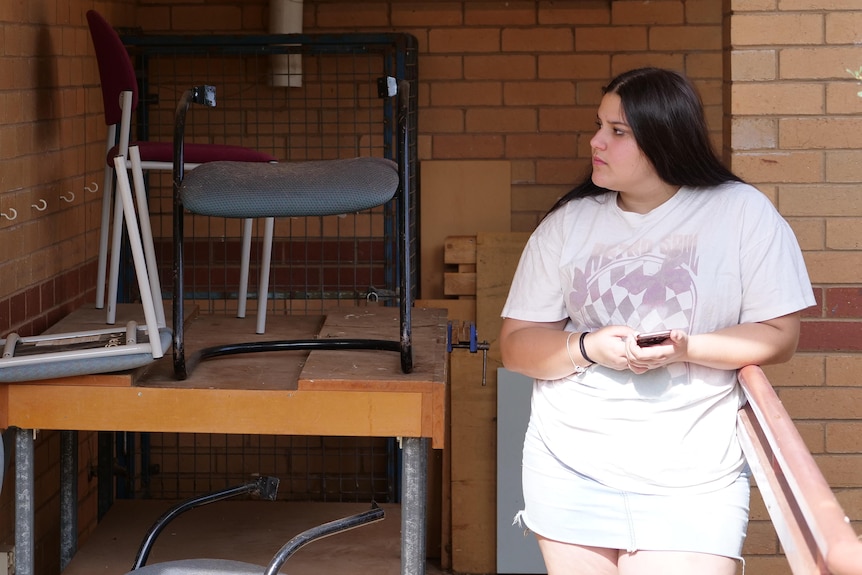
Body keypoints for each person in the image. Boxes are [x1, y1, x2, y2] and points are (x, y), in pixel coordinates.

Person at [499, 67, 815, 575]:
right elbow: (515, 346)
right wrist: (587, 347)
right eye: (599, 125)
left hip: (694, 478)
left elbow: (781, 336)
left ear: (665, 137)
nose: (595, 141)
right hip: (569, 467)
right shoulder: (567, 224)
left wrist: (688, 348)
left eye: (617, 131)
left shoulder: (742, 214)